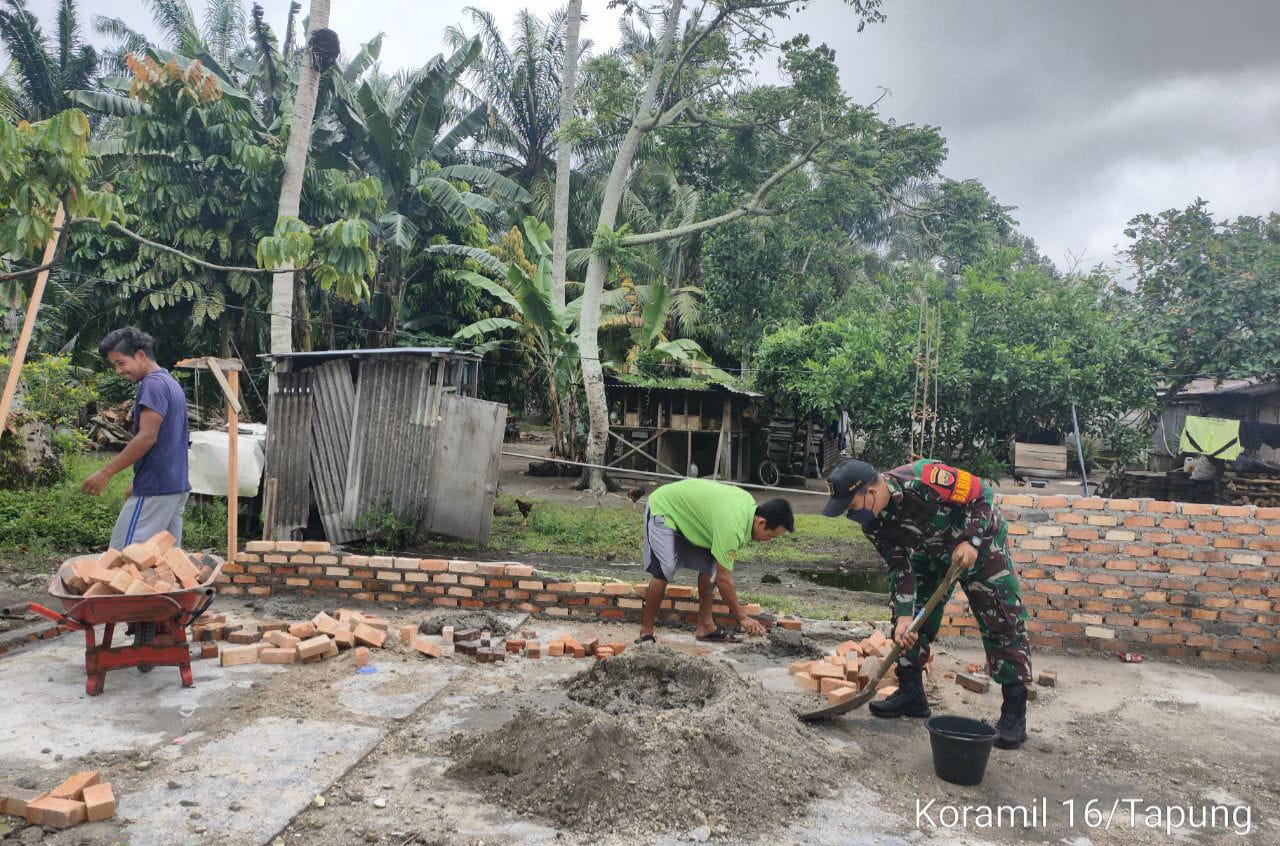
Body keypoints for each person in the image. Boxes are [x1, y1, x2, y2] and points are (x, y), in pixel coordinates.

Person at [821, 458, 1032, 749]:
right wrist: (906, 616)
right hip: (932, 551)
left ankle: (1013, 714)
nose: (851, 514)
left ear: (871, 491)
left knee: (1002, 618)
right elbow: (899, 567)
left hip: (982, 546)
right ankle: (911, 693)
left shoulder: (923, 478)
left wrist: (971, 541)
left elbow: (981, 493)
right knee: (906, 618)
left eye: (851, 506)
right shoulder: (873, 523)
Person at [636, 478, 794, 644]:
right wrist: (742, 617)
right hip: (665, 507)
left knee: (711, 569)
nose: (768, 540)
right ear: (761, 522)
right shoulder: (733, 527)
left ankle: (705, 625)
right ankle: (645, 632)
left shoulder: (748, 507)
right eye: (771, 536)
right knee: (664, 570)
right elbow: (724, 579)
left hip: (690, 517)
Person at [82, 327, 191, 549]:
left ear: (140, 355)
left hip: (156, 489)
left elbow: (147, 437)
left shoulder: (153, 384)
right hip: (174, 487)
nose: (118, 371)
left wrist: (105, 473)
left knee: (122, 559)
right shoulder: (169, 382)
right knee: (166, 566)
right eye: (115, 365)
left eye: (121, 363)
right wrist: (137, 480)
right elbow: (168, 440)